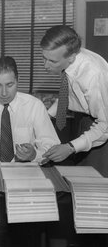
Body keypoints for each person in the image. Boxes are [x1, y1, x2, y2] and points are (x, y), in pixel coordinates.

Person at [40, 25, 108, 177]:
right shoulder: (70, 60)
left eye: (52, 61)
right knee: (79, 175)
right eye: (43, 58)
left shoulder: (93, 75)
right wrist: (44, 116)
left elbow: (105, 125)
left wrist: (70, 147)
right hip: (86, 119)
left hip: (103, 126)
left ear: (71, 57)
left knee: (94, 182)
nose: (46, 66)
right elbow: (69, 96)